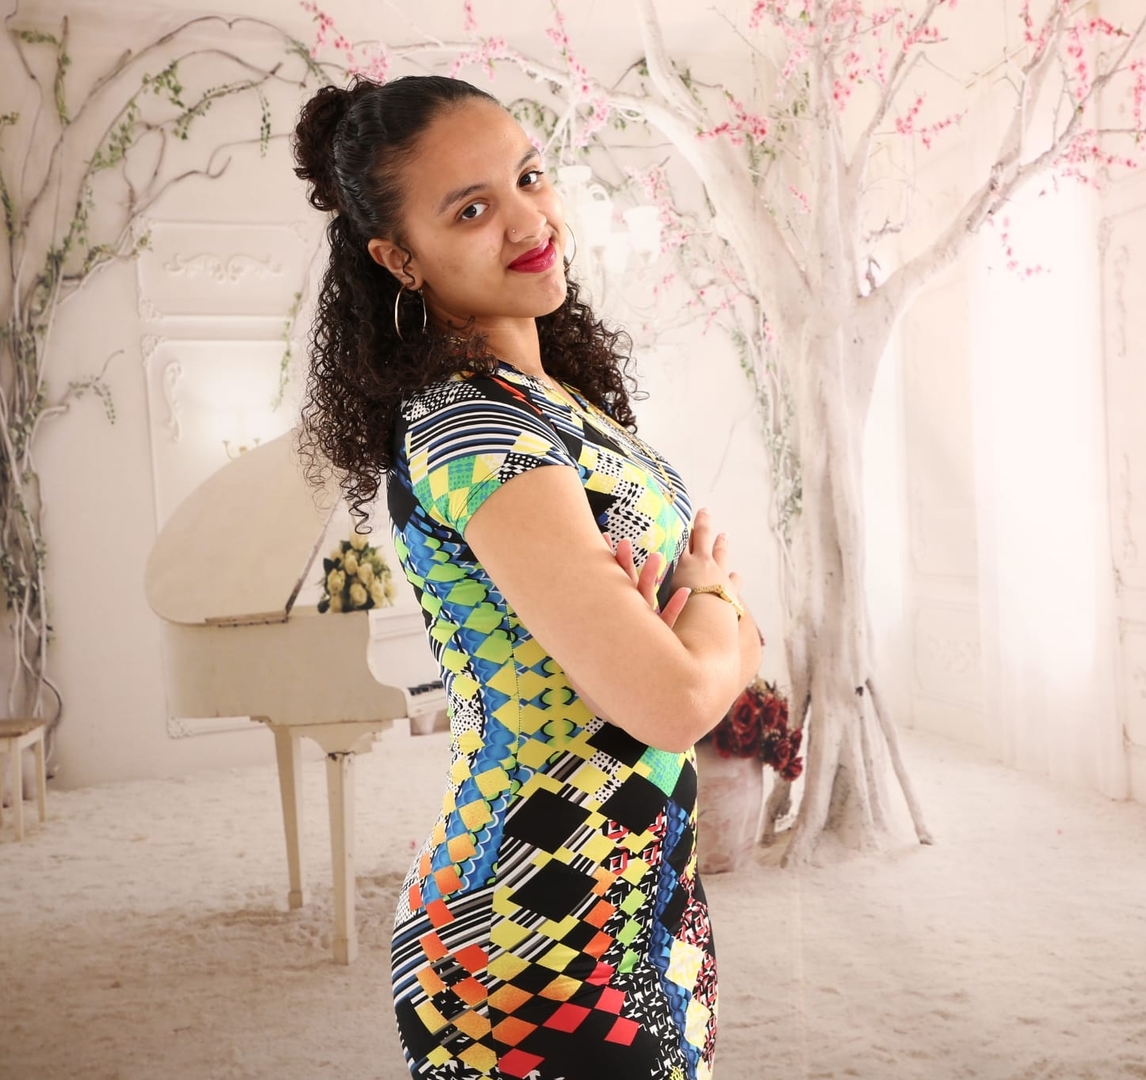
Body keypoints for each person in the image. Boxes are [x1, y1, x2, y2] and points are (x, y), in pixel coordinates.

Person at [291, 74, 762, 1080]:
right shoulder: (473, 428)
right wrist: (713, 606)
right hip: (532, 930)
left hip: (640, 897)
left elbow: (710, 665)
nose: (527, 219)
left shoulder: (551, 402)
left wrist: (699, 634)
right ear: (398, 258)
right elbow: (675, 699)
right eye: (471, 209)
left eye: (530, 177)